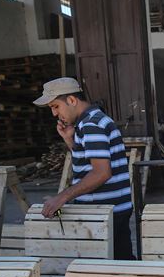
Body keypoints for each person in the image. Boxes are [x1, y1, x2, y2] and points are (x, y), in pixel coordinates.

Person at [34, 77, 135, 260]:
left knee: (111, 269)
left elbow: (101, 173)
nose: (54, 113)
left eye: (56, 106)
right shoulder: (92, 121)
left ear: (72, 100)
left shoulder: (91, 124)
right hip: (112, 210)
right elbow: (89, 162)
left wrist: (62, 197)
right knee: (121, 264)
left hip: (106, 213)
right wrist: (70, 140)